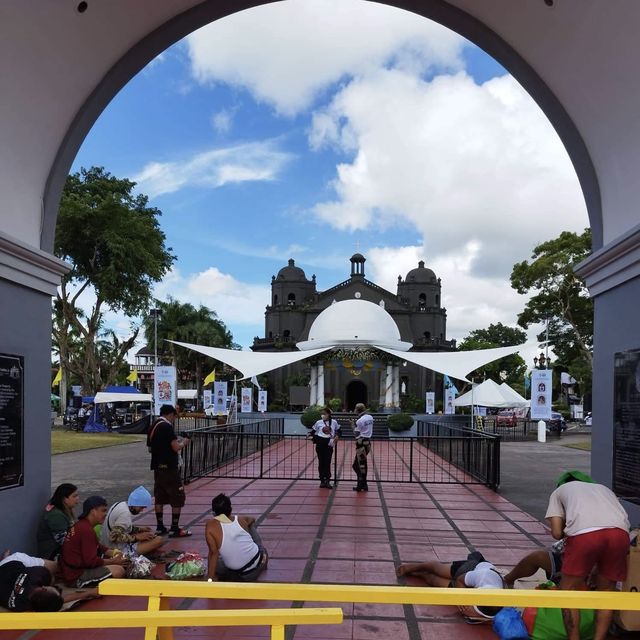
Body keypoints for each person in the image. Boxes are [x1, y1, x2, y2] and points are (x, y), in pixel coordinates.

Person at [546, 470, 630, 640]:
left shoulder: (559, 492)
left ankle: (574, 638)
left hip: (585, 535)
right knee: (606, 593)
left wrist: (568, 529)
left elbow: (556, 533)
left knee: (568, 591)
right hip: (620, 534)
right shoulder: (604, 489)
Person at [396, 551, 504, 620]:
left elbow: (489, 614)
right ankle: (416, 567)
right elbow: (460, 580)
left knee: (434, 582)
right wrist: (462, 601)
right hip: (470, 569)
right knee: (437, 569)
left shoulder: (500, 601)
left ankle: (421, 575)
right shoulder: (483, 575)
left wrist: (474, 612)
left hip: (474, 585)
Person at [59, 496, 129, 588]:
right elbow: (90, 561)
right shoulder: (86, 530)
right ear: (93, 511)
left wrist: (112, 552)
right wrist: (112, 561)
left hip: (72, 570)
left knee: (114, 561)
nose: (106, 514)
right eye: (103, 510)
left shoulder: (82, 524)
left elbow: (96, 545)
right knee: (119, 570)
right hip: (76, 576)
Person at [147, 404, 192, 537]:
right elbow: (175, 447)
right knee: (177, 496)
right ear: (171, 414)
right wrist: (185, 441)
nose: (174, 419)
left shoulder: (154, 425)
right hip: (169, 468)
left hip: (157, 467)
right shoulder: (166, 426)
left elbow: (150, 448)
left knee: (159, 497)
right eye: (174, 416)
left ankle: (160, 526)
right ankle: (175, 528)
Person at [0, 552, 97, 611]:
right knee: (57, 568)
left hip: (9, 565)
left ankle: (4, 559)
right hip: (8, 569)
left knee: (55, 569)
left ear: (44, 588)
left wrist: (90, 592)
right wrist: (88, 592)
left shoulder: (36, 575)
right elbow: (57, 600)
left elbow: (58, 600)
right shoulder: (22, 606)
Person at [205, 493, 268, 582]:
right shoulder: (240, 520)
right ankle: (262, 557)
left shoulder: (210, 526)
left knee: (217, 564)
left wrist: (210, 578)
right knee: (251, 528)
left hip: (243, 574)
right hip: (259, 562)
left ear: (214, 512)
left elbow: (213, 554)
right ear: (230, 510)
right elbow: (252, 519)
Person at [99, 486, 165, 556]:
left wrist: (140, 529)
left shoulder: (119, 504)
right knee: (159, 540)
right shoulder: (125, 514)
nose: (142, 510)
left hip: (106, 546)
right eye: (141, 507)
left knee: (148, 538)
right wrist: (137, 537)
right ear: (135, 503)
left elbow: (123, 527)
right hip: (116, 550)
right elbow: (113, 536)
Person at [36, 483, 79, 560]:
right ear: (64, 499)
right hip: (51, 554)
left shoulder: (62, 509)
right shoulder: (56, 515)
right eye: (74, 496)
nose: (77, 498)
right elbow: (64, 541)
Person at [307, 407, 340, 488]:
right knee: (321, 462)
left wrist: (337, 436)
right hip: (320, 444)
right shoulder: (318, 422)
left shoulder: (334, 422)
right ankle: (322, 480)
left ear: (328, 414)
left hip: (329, 444)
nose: (323, 415)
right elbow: (313, 431)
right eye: (322, 414)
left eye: (324, 414)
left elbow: (339, 430)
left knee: (327, 462)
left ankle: (328, 480)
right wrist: (310, 435)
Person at [352, 403, 373, 492]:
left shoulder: (359, 421)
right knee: (362, 464)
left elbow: (356, 434)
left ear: (357, 410)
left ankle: (361, 484)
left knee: (357, 465)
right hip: (368, 442)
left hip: (361, 443)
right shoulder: (370, 417)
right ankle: (363, 484)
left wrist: (352, 425)